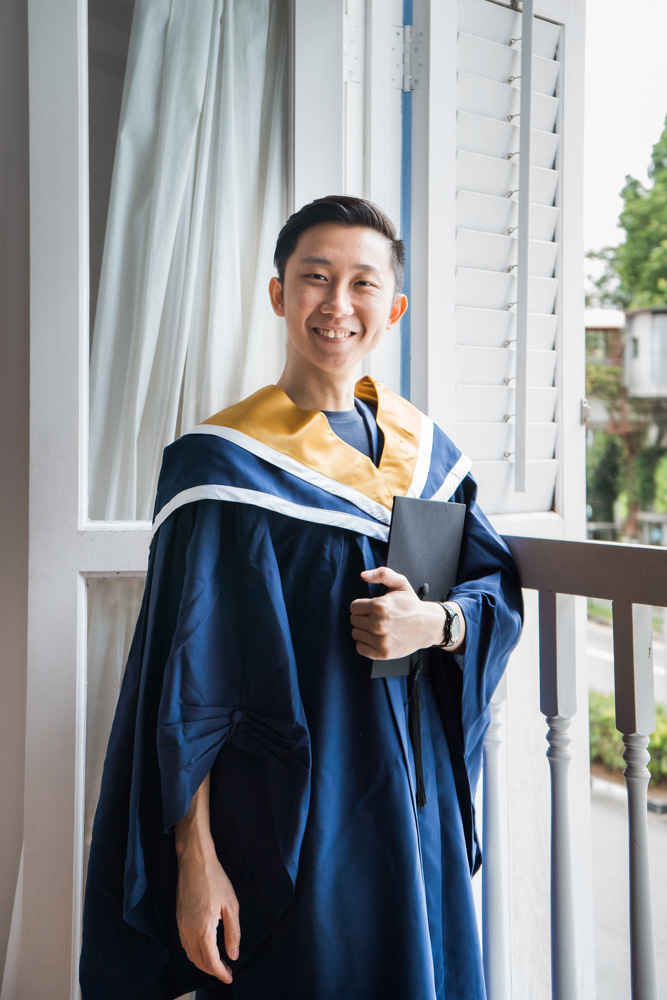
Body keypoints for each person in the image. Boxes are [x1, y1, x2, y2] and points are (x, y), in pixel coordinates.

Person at [80, 195, 523, 1000]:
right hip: (291, 820)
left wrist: (439, 623)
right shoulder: (223, 468)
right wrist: (196, 861)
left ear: (391, 308)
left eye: (361, 284)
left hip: (413, 810)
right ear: (280, 293)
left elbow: (490, 586)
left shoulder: (427, 454)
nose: (337, 304)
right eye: (315, 278)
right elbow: (186, 690)